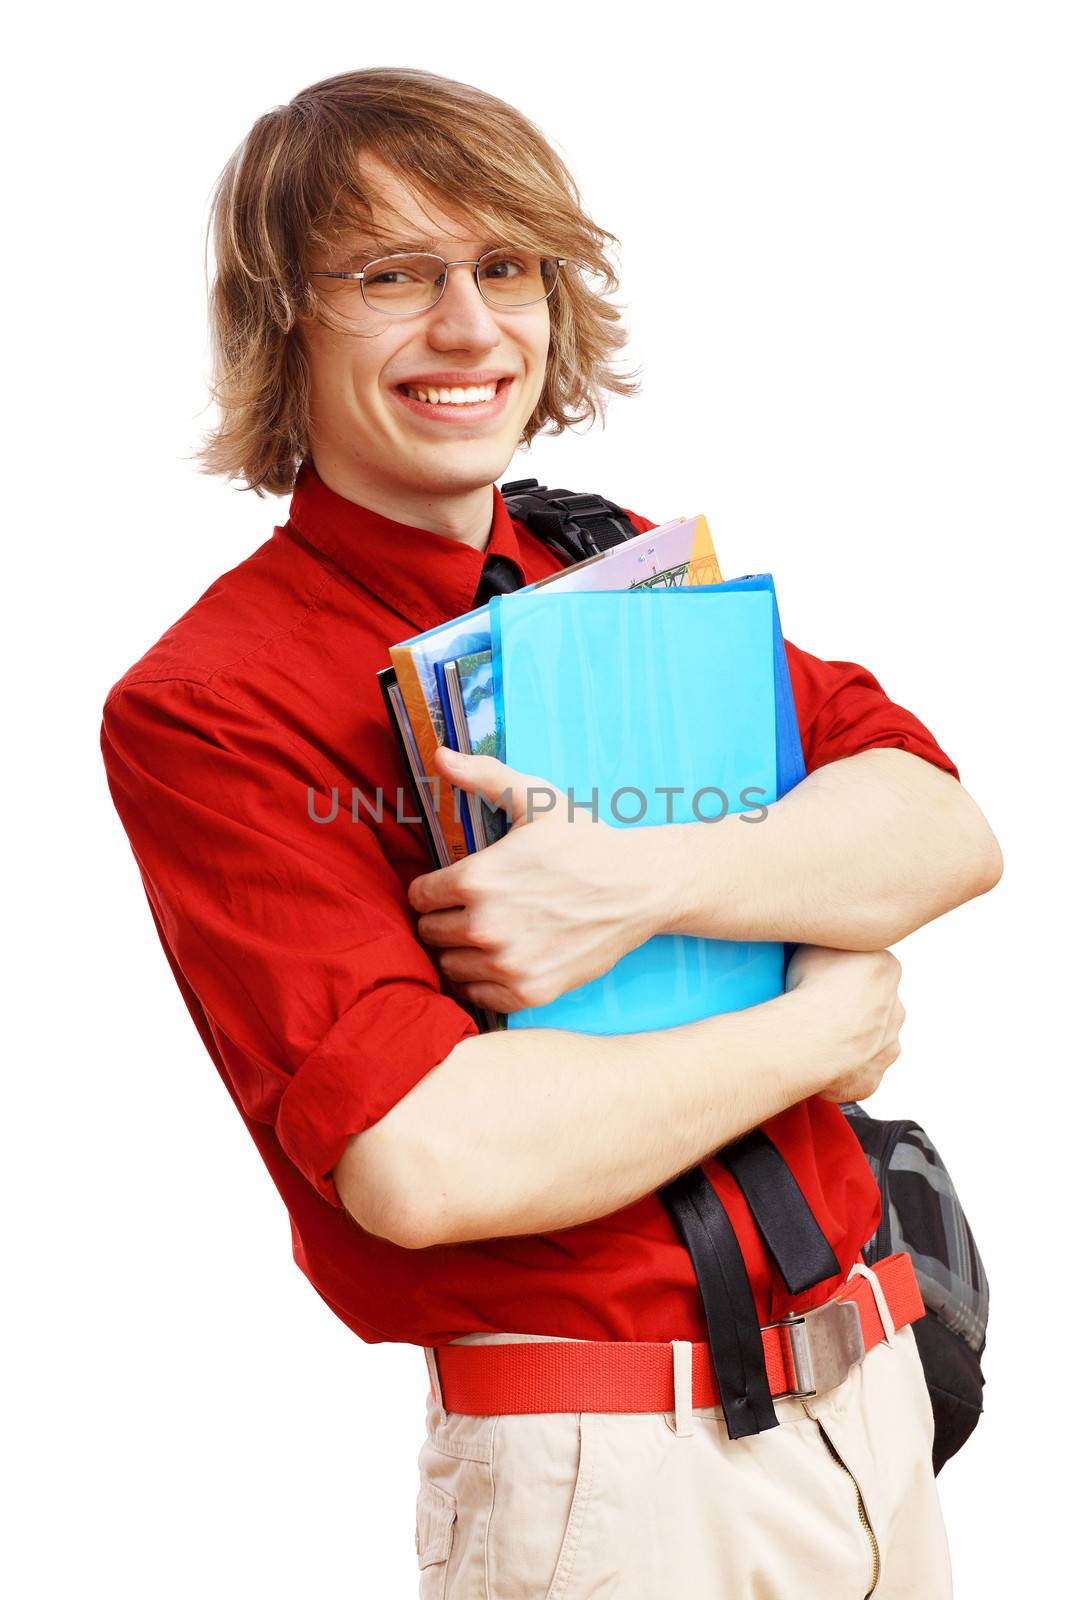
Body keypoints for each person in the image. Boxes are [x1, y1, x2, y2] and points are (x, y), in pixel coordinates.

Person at [100, 66, 1003, 1598]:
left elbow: (938, 829)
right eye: (393, 276)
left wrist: (637, 886)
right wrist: (821, 1023)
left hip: (879, 1406)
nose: (470, 330)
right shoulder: (211, 700)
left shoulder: (606, 572)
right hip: (618, 1480)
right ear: (283, 324)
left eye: (504, 269)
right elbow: (428, 1159)